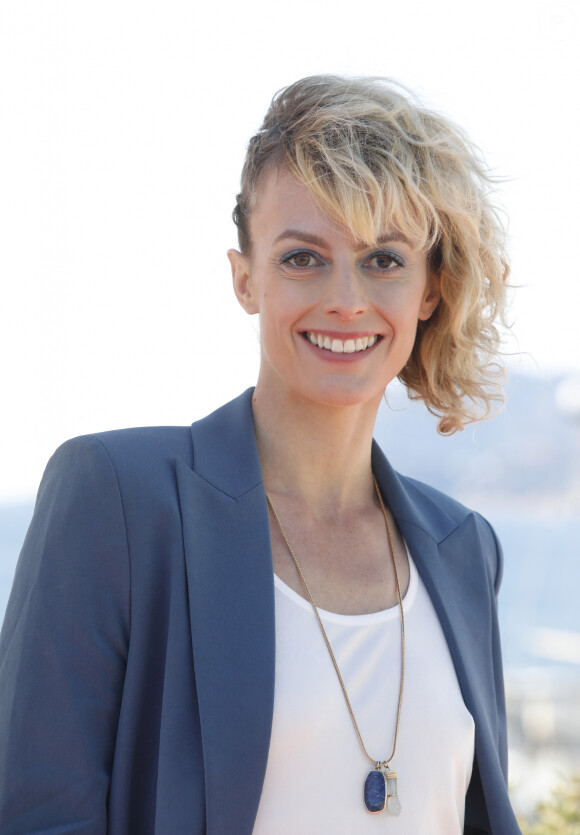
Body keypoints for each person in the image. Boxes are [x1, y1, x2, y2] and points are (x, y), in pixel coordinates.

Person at [0, 75, 521, 834]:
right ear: (245, 279)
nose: (346, 298)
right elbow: (34, 814)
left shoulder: (463, 547)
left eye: (383, 260)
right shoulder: (117, 499)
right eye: (303, 258)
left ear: (430, 290)